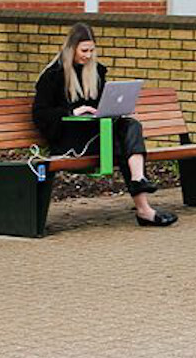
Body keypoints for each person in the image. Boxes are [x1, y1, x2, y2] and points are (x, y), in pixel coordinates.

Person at [32, 23, 177, 227]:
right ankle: (144, 208)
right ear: (71, 48)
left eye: (92, 50)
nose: (88, 56)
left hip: (96, 134)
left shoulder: (97, 71)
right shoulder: (53, 75)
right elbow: (40, 113)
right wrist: (72, 112)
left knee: (130, 125)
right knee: (122, 144)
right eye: (84, 51)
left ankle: (139, 179)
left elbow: (102, 104)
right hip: (70, 141)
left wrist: (115, 110)